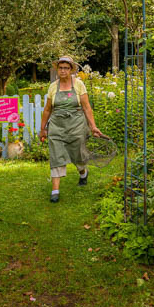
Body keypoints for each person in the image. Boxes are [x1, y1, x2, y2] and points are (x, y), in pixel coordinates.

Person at [39, 56, 103, 203]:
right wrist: (43, 129)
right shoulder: (53, 87)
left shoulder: (79, 85)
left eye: (66, 68)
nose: (63, 71)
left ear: (71, 70)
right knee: (56, 154)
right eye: (60, 68)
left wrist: (93, 126)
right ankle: (55, 190)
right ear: (57, 70)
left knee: (78, 154)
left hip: (76, 124)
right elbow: (48, 110)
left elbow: (86, 107)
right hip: (57, 125)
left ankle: (83, 172)